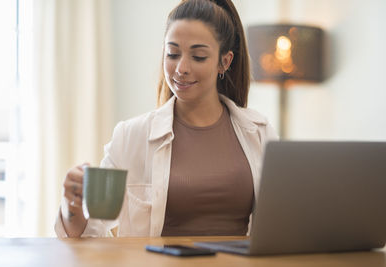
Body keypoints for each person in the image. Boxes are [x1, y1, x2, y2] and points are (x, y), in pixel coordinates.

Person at [55, 0, 278, 238]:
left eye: (198, 56)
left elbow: (282, 225)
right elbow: (91, 235)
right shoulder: (132, 136)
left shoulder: (259, 132)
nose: (181, 68)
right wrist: (72, 208)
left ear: (225, 61)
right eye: (172, 53)